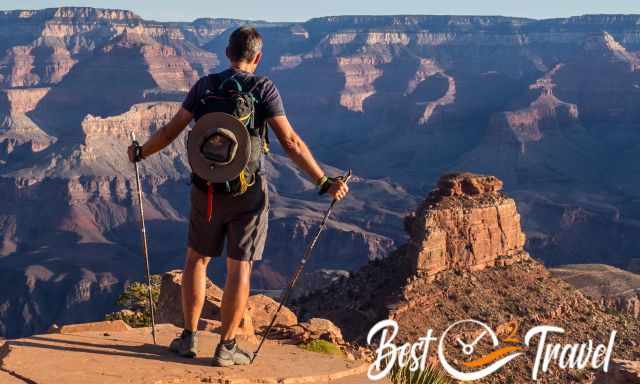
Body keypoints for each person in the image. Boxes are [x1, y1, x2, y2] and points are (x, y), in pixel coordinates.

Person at [127, 26, 349, 367]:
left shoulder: (205, 87)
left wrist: (141, 152)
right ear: (257, 57)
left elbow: (171, 130)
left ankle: (188, 337)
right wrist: (323, 182)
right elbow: (291, 143)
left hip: (207, 189)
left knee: (196, 260)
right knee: (238, 267)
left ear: (228, 53)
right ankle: (226, 347)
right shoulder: (263, 89)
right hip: (247, 193)